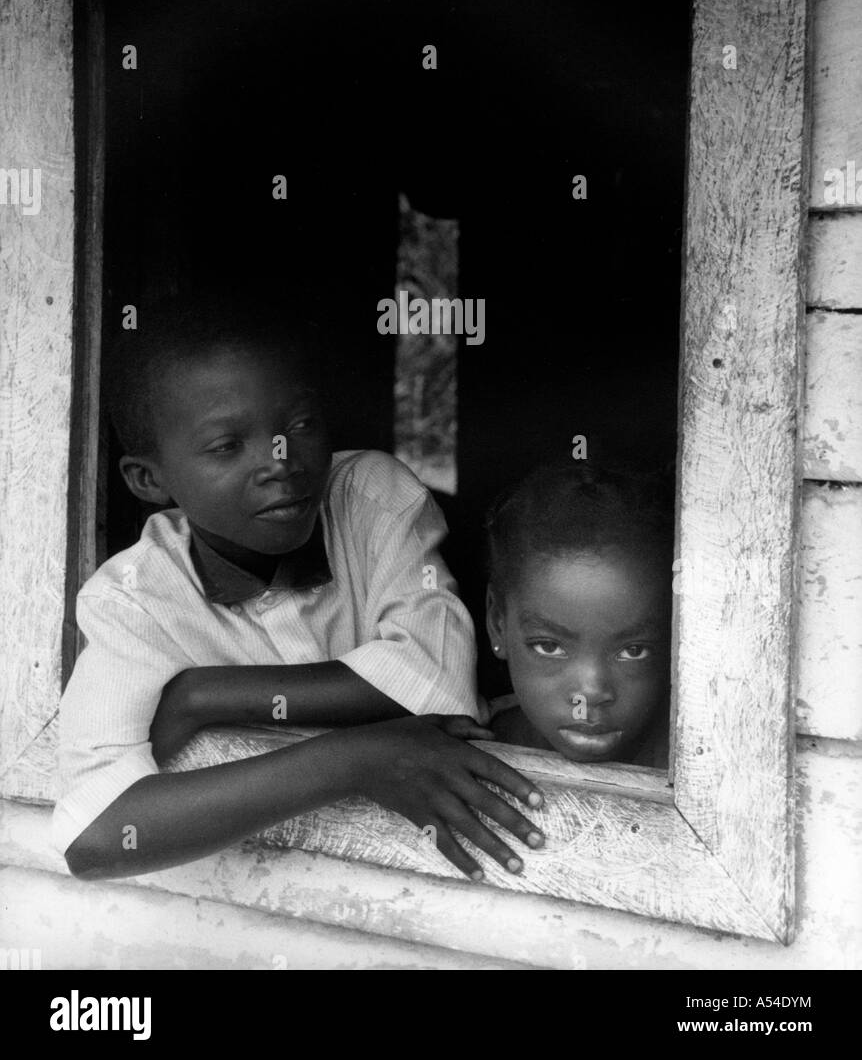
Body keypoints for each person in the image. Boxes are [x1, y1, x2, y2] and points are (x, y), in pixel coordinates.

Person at [54, 294, 544, 882]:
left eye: (300, 425)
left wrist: (205, 696)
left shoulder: (370, 496)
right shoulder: (132, 598)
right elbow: (96, 833)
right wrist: (359, 759)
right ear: (149, 479)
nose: (280, 462)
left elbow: (436, 682)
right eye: (227, 446)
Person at [485, 463, 671, 767]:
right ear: (497, 623)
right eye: (549, 646)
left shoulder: (706, 768)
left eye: (634, 651)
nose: (591, 692)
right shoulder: (463, 747)